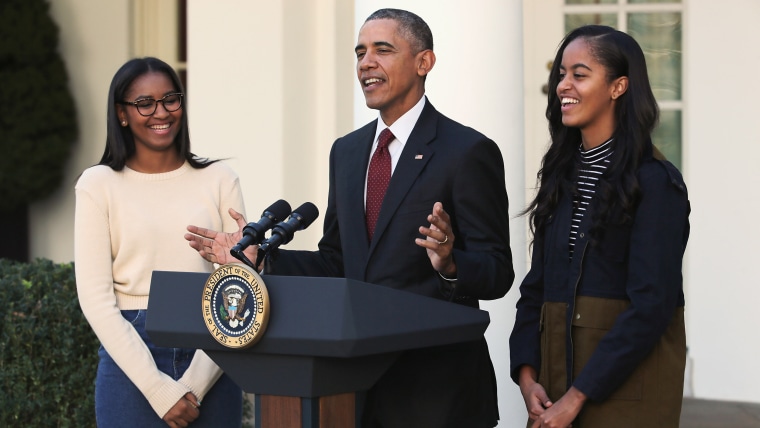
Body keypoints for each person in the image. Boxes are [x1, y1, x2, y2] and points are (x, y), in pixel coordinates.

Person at [185, 8, 514, 428]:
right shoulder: (348, 151)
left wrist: (451, 263)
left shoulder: (466, 151)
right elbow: (336, 262)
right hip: (354, 390)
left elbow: (497, 271)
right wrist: (261, 259)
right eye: (360, 52)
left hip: (440, 394)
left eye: (382, 49)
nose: (365, 63)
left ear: (423, 62)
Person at [509, 25, 690, 427]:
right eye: (560, 74)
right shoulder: (561, 175)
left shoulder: (657, 182)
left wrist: (576, 398)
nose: (563, 86)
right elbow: (536, 287)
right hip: (554, 391)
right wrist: (526, 374)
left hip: (626, 396)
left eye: (579, 73)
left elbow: (652, 305)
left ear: (618, 86)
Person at [74, 57, 244, 427]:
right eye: (144, 103)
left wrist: (195, 386)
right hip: (130, 359)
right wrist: (157, 389)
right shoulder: (97, 184)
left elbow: (240, 286)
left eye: (170, 99)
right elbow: (95, 299)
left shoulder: (219, 179)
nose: (160, 112)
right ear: (122, 114)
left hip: (212, 349)